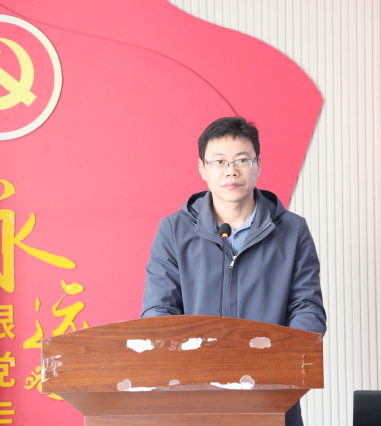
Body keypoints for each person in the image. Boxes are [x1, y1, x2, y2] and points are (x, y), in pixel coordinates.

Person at [141, 116, 326, 425]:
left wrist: (282, 359)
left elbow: (307, 306)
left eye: (242, 160)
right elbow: (159, 310)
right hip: (193, 394)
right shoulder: (174, 230)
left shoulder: (292, 230)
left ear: (258, 164)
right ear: (202, 168)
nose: (231, 171)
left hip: (271, 392)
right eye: (219, 162)